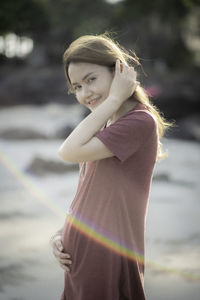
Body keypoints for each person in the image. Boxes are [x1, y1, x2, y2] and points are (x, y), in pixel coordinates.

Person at [50, 33, 171, 300]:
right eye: (77, 87)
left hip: (105, 256)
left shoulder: (139, 122)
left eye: (91, 79)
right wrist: (62, 233)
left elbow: (67, 151)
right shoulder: (107, 124)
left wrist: (115, 99)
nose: (85, 93)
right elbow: (90, 193)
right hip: (80, 258)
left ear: (118, 71)